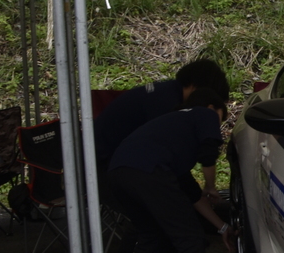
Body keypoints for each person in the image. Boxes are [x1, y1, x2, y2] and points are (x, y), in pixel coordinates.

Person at [106, 90, 234, 253]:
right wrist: (211, 185)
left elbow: (192, 195)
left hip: (118, 174)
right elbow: (209, 149)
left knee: (150, 231)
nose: (218, 124)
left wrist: (223, 227)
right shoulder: (204, 113)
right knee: (191, 239)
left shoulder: (167, 137)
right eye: (221, 118)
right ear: (211, 107)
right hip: (149, 173)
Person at [95, 58, 231, 195]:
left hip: (110, 157)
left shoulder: (166, 92)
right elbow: (168, 159)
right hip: (104, 162)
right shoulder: (166, 104)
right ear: (195, 86)